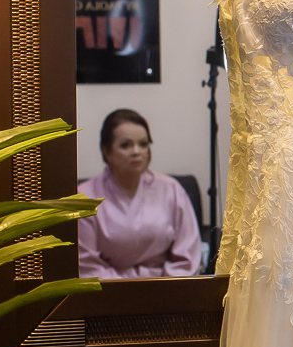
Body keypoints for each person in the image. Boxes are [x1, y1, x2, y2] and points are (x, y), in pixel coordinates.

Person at [77, 109, 202, 278]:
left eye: (143, 144)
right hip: (107, 296)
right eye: (125, 145)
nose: (137, 151)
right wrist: (133, 288)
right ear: (107, 151)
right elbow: (86, 266)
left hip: (168, 293)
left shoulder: (171, 189)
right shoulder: (85, 197)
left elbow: (187, 258)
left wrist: (159, 289)